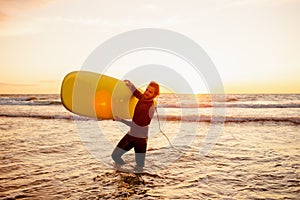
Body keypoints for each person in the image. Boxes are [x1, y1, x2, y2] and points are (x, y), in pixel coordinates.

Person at [111, 80, 160, 172]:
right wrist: (131, 85)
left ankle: (137, 183)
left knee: (139, 166)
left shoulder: (150, 108)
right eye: (146, 90)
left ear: (155, 95)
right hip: (131, 135)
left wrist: (121, 120)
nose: (146, 93)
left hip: (140, 140)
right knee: (115, 156)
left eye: (150, 92)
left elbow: (137, 126)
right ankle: (124, 171)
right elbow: (137, 93)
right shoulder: (143, 98)